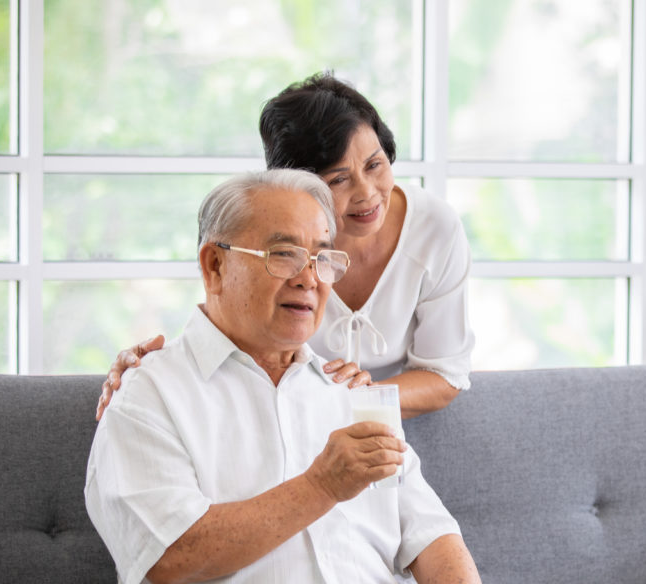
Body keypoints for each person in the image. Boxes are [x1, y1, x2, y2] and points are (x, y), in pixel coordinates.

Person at [85, 169, 526, 584]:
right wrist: (322, 484)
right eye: (284, 254)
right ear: (214, 266)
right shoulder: (148, 393)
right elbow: (171, 555)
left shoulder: (350, 390)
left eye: (321, 257)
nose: (309, 277)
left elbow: (427, 531)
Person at [96, 72, 473, 421]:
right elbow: (228, 326)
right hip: (285, 417)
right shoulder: (263, 235)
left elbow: (444, 374)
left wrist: (353, 398)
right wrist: (148, 368)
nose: (367, 194)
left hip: (374, 424)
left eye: (375, 165)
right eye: (339, 179)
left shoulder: (434, 229)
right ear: (295, 184)